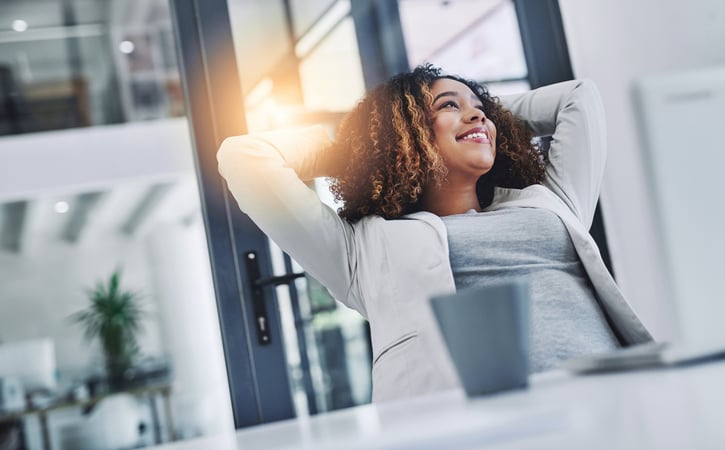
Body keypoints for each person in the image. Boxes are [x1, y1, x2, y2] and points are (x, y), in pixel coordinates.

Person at [217, 64, 652, 402]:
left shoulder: (549, 200)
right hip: (478, 426)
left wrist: (482, 114)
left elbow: (578, 98)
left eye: (480, 106)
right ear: (402, 133)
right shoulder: (360, 251)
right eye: (447, 105)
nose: (477, 112)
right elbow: (244, 156)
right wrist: (355, 150)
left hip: (610, 393)